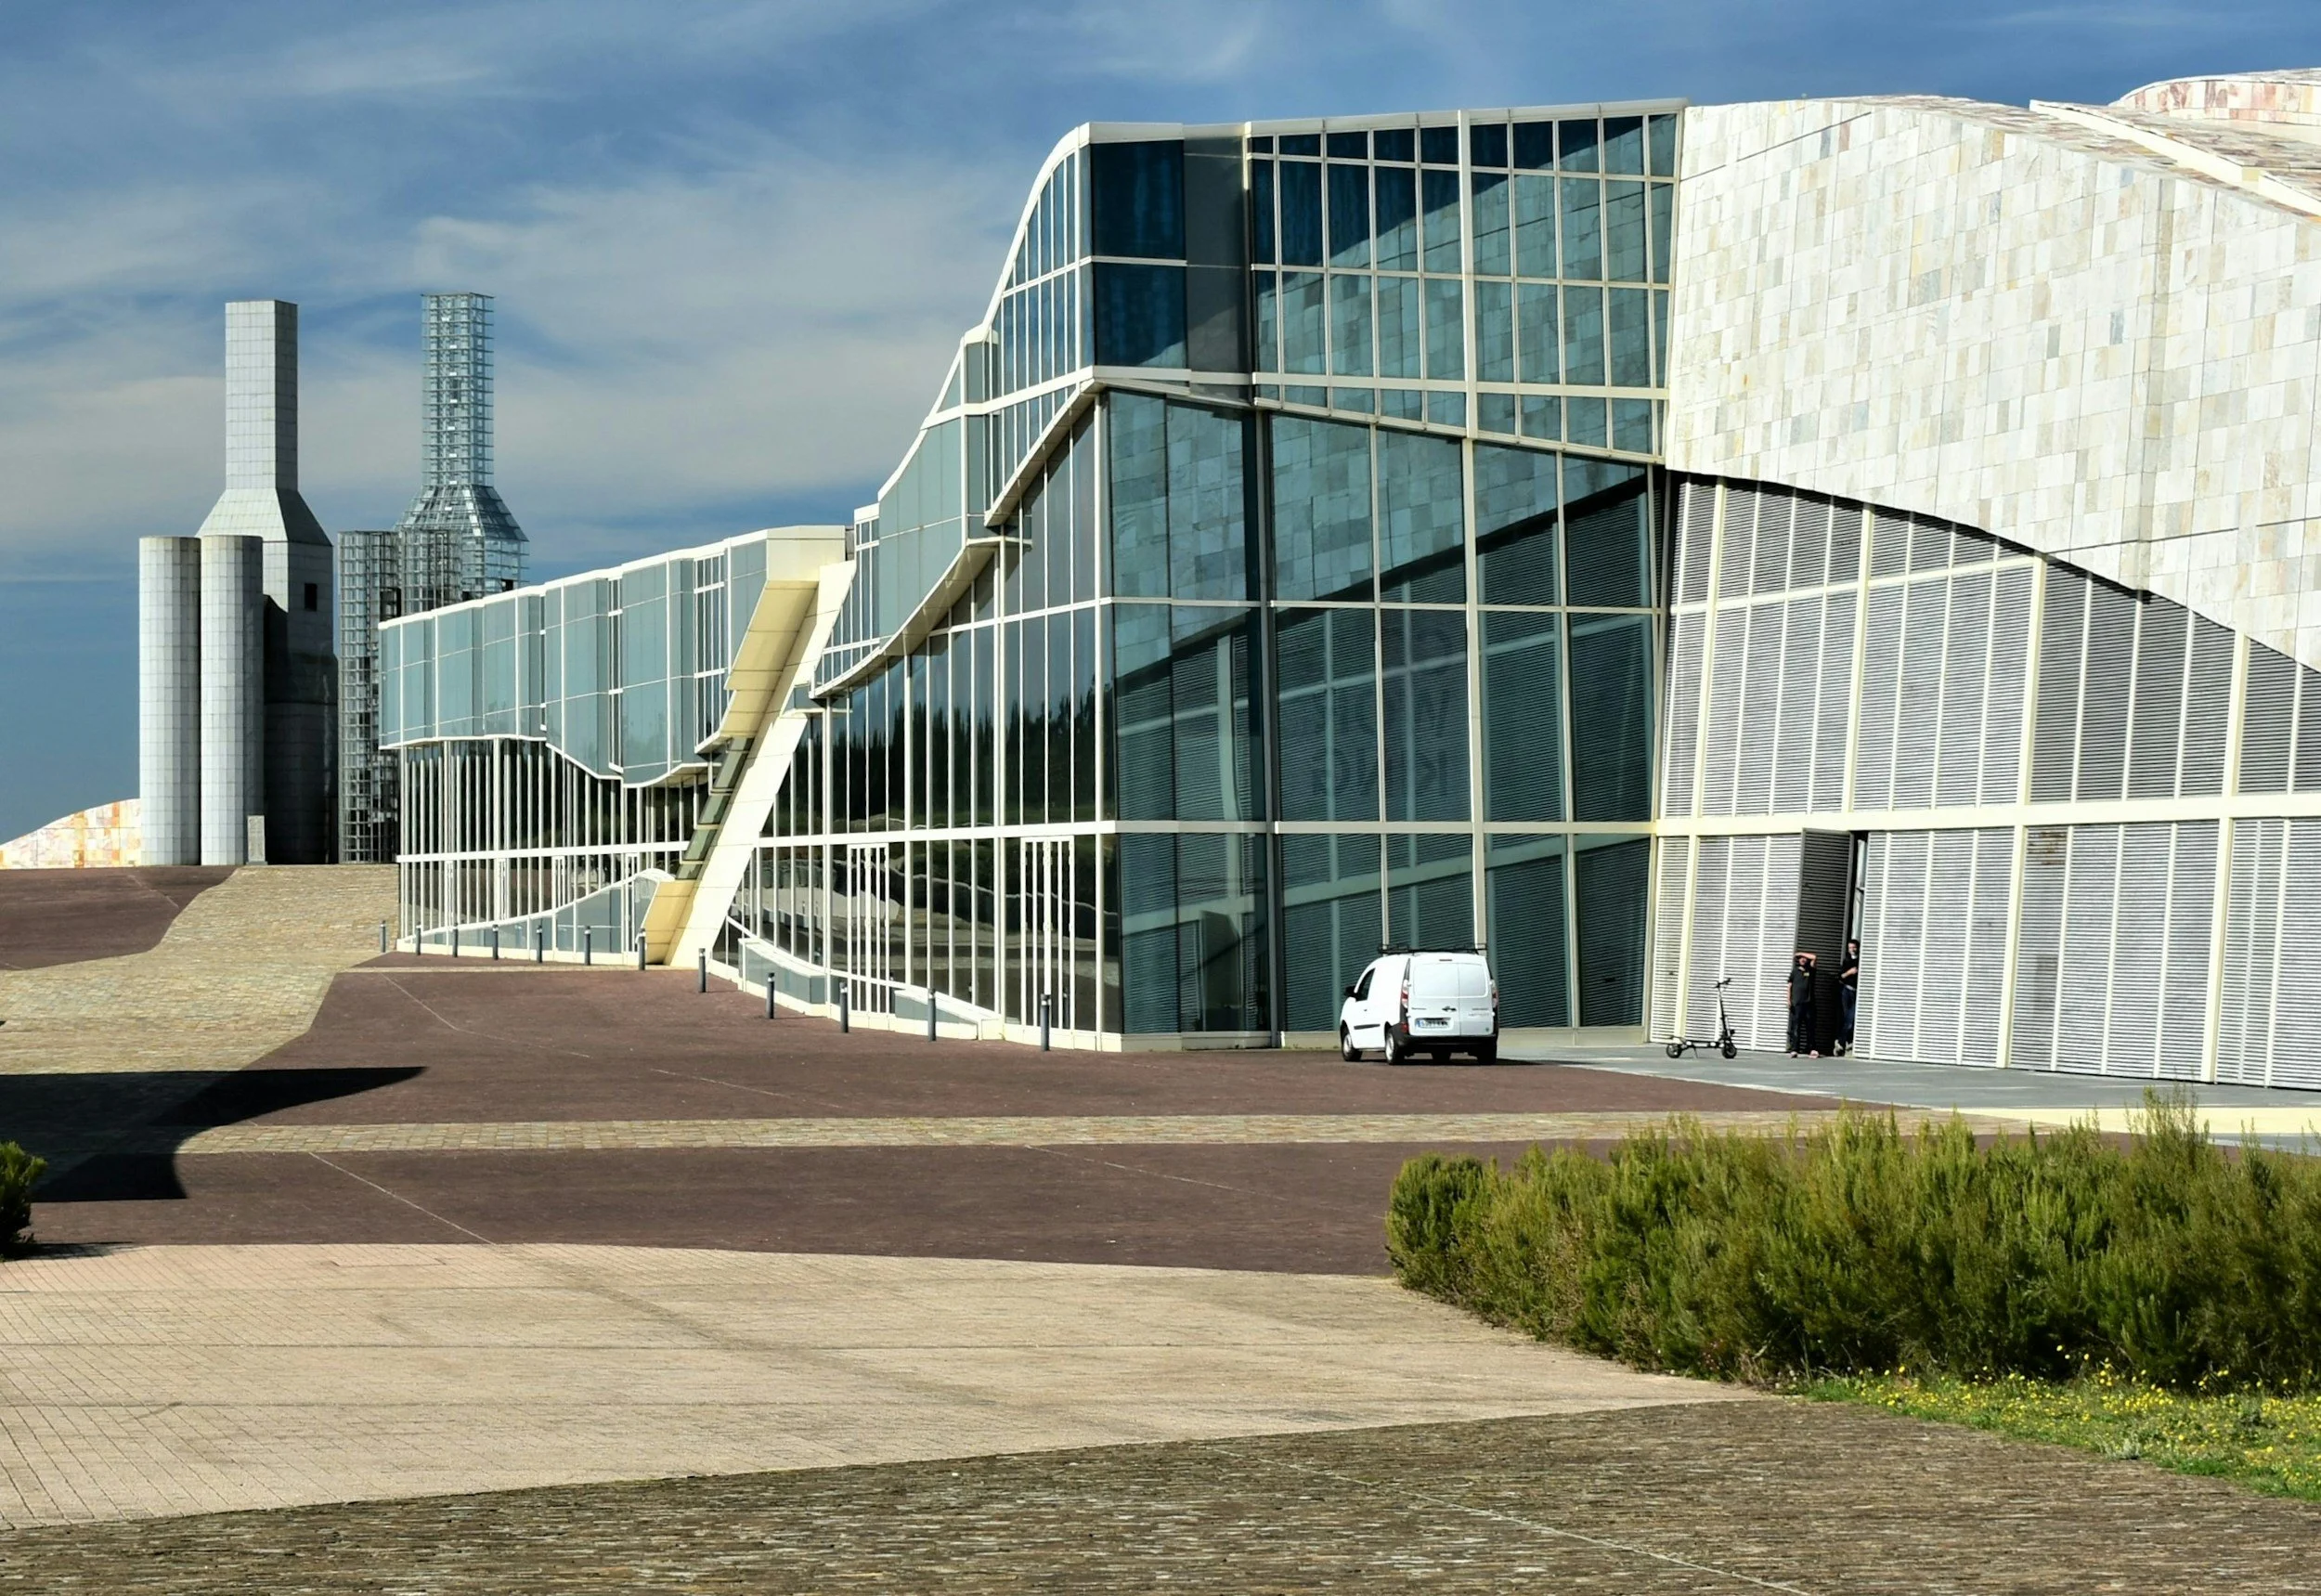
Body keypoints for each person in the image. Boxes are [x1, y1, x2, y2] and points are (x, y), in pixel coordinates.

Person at [1784, 950, 1819, 1058]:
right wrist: (1788, 1000)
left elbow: (1814, 957)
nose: (1803, 960)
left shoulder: (1811, 970)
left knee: (1810, 1027)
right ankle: (1795, 1049)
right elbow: (1789, 986)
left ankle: (1812, 1049)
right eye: (1800, 958)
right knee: (1796, 1028)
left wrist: (1801, 954)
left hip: (1809, 1003)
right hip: (1797, 1004)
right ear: (1798, 961)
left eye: (1804, 958)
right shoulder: (1794, 972)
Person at [1835, 939, 1861, 1057]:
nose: (1852, 950)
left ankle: (1842, 1042)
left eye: (1854, 947)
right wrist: (1849, 972)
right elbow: (1840, 977)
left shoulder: (1861, 960)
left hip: (1857, 992)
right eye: (1850, 948)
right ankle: (1847, 1043)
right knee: (1848, 1019)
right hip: (1847, 991)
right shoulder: (1847, 960)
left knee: (1851, 1019)